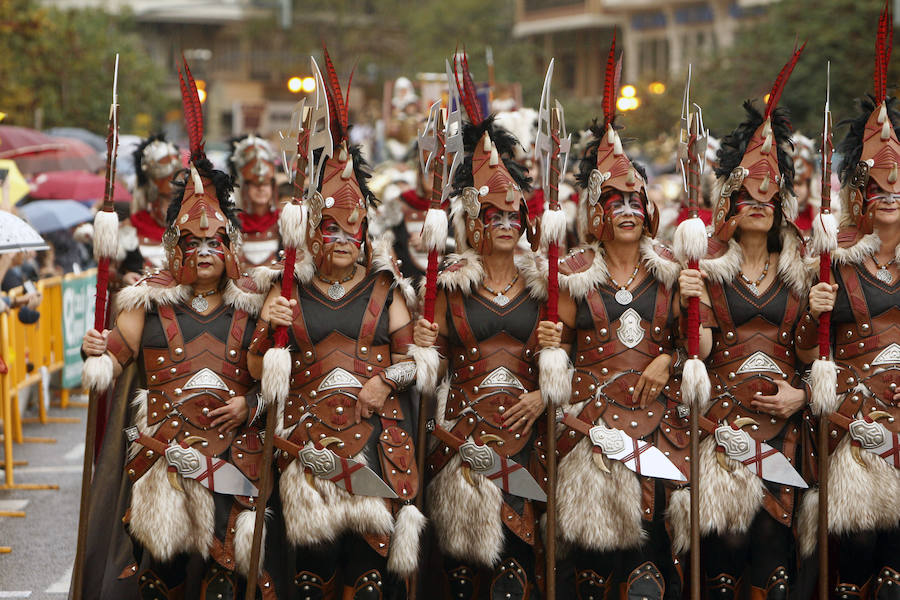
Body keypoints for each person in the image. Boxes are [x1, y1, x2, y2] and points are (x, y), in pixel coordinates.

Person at [79, 63, 276, 598]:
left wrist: (251, 406)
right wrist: (93, 347)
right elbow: (111, 359)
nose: (206, 252)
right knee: (160, 582)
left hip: (237, 455)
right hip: (163, 456)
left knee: (224, 583)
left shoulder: (257, 304)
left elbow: (279, 374)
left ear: (230, 246)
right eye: (195, 243)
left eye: (216, 242)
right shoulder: (145, 302)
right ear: (176, 248)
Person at [248, 51, 425, 598]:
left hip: (374, 442)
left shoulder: (385, 289)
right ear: (311, 232)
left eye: (354, 228)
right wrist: (265, 327)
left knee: (369, 581)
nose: (344, 239)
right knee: (311, 579)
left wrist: (384, 381)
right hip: (304, 447)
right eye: (331, 228)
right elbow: (257, 368)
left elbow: (415, 364)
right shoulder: (285, 292)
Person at [544, 38, 709, 600]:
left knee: (648, 570)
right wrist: (547, 343)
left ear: (651, 209)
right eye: (616, 204)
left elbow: (701, 345)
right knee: (592, 575)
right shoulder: (569, 275)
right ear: (597, 215)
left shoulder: (674, 271)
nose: (629, 212)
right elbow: (553, 356)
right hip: (588, 428)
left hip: (657, 425)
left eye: (636, 202)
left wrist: (671, 356)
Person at [667, 50, 819, 599]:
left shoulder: (805, 270)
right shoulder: (701, 265)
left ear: (782, 204)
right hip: (716, 434)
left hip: (784, 432)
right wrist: (691, 305)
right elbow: (700, 348)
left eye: (770, 194)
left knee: (774, 572)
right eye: (748, 193)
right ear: (728, 197)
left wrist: (803, 397)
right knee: (721, 575)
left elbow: (814, 355)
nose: (760, 202)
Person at [412, 58, 553, 599]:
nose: (504, 226)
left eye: (512, 216)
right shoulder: (446, 285)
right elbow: (431, 364)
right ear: (472, 221)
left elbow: (575, 352)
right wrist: (427, 349)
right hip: (462, 439)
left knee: (515, 574)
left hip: (526, 439)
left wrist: (546, 393)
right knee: (466, 575)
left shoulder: (546, 282)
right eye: (492, 216)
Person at [798, 7, 900, 596]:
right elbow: (810, 351)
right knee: (856, 569)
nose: (890, 196)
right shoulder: (831, 258)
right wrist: (817, 311)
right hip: (853, 430)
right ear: (858, 193)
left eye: (899, 184)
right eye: (878, 186)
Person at [119, 134, 182, 281]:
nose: (170, 208)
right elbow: (110, 275)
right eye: (166, 200)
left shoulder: (191, 223)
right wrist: (124, 278)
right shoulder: (133, 225)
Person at [228, 134, 281, 268]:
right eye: (255, 184)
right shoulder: (230, 224)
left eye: (266, 184)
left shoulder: (284, 222)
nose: (261, 189)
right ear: (245, 187)